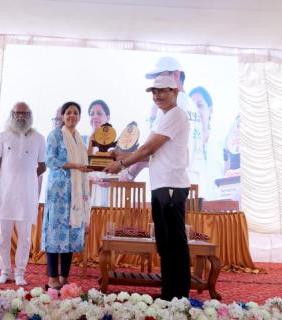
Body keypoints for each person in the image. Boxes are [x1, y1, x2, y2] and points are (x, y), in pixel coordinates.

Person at [105, 75, 191, 300]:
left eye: (162, 91)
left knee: (174, 244)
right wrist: (122, 155)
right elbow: (148, 152)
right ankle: (168, 294)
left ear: (175, 92)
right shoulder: (164, 117)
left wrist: (122, 163)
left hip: (171, 186)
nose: (157, 96)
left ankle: (179, 297)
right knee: (165, 243)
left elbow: (147, 150)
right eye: (154, 92)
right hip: (162, 185)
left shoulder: (175, 115)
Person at [119, 57, 203, 188]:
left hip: (170, 184)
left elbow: (150, 149)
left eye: (159, 75)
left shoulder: (169, 106)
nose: (155, 82)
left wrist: (128, 174)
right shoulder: (191, 105)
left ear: (176, 75)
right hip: (192, 184)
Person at [0, 102, 46, 286]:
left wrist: (26, 176)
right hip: (4, 195)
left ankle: (20, 273)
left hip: (27, 196)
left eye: (25, 113)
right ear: (12, 114)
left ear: (30, 115)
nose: (21, 116)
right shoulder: (3, 137)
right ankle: (5, 272)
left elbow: (42, 165)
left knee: (25, 237)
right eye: (17, 113)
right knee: (3, 237)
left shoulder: (39, 138)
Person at [42, 101, 91, 289]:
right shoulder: (55, 135)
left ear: (79, 117)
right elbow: (50, 160)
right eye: (68, 112)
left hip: (75, 195)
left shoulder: (80, 139)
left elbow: (85, 163)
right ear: (62, 116)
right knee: (56, 234)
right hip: (58, 194)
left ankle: (64, 278)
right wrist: (75, 166)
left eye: (75, 113)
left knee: (70, 234)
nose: (72, 115)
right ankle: (52, 279)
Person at [86, 99, 111, 207]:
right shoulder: (82, 142)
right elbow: (77, 171)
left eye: (99, 113)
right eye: (92, 114)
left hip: (111, 195)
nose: (95, 117)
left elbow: (122, 171)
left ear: (108, 117)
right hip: (88, 195)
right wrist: (94, 179)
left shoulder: (117, 143)